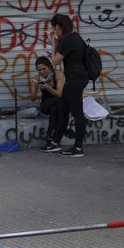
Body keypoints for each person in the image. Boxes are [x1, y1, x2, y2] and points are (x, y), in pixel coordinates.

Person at [47, 14, 88, 157]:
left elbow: (55, 61)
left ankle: (77, 148)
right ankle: (55, 143)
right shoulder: (76, 37)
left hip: (75, 80)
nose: (54, 30)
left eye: (54, 28)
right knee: (63, 109)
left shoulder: (67, 41)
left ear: (57, 27)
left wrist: (53, 44)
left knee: (77, 113)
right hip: (78, 78)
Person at [31, 56, 65, 151]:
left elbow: (59, 93)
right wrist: (34, 87)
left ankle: (50, 142)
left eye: (44, 69)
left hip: (57, 107)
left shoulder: (58, 75)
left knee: (54, 110)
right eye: (39, 70)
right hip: (45, 105)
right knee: (61, 102)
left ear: (49, 67)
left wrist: (48, 88)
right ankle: (64, 129)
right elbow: (33, 99)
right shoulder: (37, 78)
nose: (42, 72)